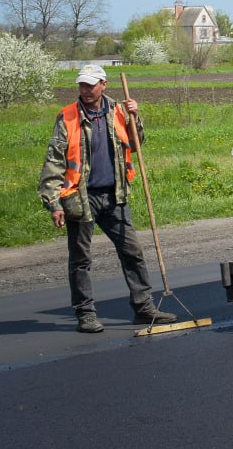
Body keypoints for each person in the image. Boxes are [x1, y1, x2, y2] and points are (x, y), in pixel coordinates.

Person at [38, 64, 177, 333]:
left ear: (104, 84)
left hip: (115, 196)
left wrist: (136, 118)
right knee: (80, 259)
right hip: (80, 198)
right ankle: (85, 313)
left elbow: (136, 144)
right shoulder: (67, 117)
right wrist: (53, 202)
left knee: (132, 251)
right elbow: (53, 161)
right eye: (82, 85)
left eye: (90, 85)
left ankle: (143, 307)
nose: (85, 90)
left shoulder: (119, 110)